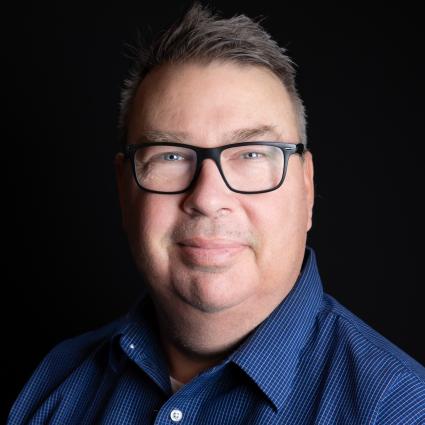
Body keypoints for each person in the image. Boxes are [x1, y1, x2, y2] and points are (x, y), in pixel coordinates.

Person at [8, 3, 425, 424]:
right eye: (170, 155)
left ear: (306, 186)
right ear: (124, 189)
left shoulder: (398, 408)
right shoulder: (57, 382)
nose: (208, 197)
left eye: (251, 153)